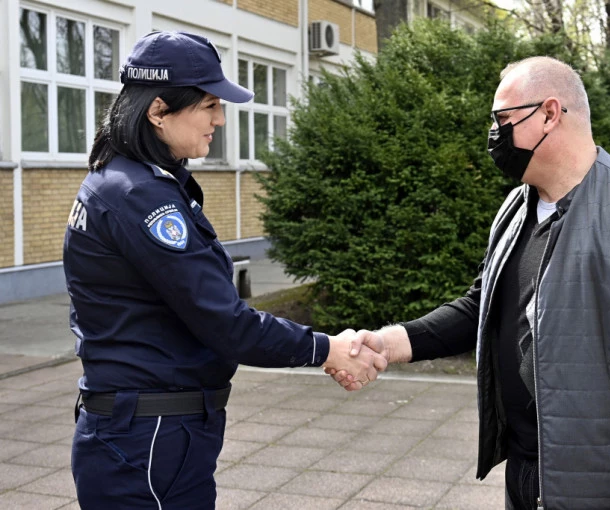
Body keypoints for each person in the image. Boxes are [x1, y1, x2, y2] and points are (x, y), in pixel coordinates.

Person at [329, 56, 610, 510]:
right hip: (529, 475)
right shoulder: (517, 206)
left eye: (503, 120)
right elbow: (481, 307)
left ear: (549, 114)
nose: (494, 134)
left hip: (607, 485)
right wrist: (386, 344)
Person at [63, 30, 385, 509]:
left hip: (145, 435)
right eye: (209, 105)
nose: (220, 119)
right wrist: (328, 349)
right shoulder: (141, 197)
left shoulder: (126, 180)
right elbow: (225, 322)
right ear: (158, 111)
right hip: (149, 442)